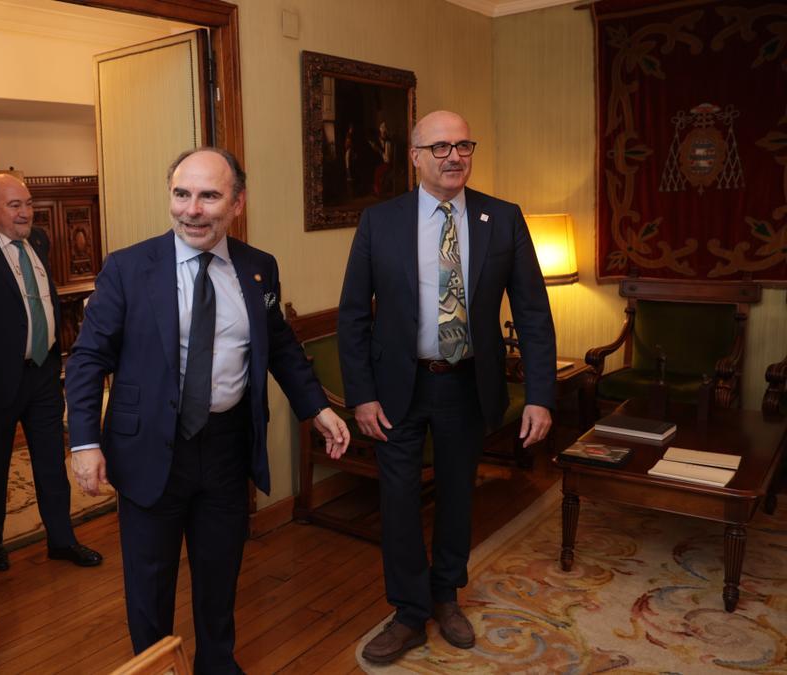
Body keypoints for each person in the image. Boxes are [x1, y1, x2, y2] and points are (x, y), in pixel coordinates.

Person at [65, 147, 350, 673]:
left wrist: (317, 409)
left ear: (237, 203)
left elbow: (281, 345)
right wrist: (84, 444)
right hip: (148, 448)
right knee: (150, 583)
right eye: (181, 194)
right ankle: (155, 668)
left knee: (219, 573)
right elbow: (87, 359)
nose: (192, 209)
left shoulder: (258, 269)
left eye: (209, 196)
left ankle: (217, 665)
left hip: (225, 448)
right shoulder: (128, 268)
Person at [337, 110, 556, 665]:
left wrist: (540, 395)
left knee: (459, 494)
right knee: (400, 500)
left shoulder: (501, 219)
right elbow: (352, 316)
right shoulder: (379, 222)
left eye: (462, 145)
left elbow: (532, 311)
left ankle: (445, 594)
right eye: (439, 147)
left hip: (465, 384)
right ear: (413, 157)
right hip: (395, 389)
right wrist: (360, 395)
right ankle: (409, 612)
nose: (453, 156)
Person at [0, 174, 103, 572]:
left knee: (51, 462)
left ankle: (62, 539)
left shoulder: (38, 241)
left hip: (42, 374)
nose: (25, 213)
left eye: (28, 203)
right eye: (14, 205)